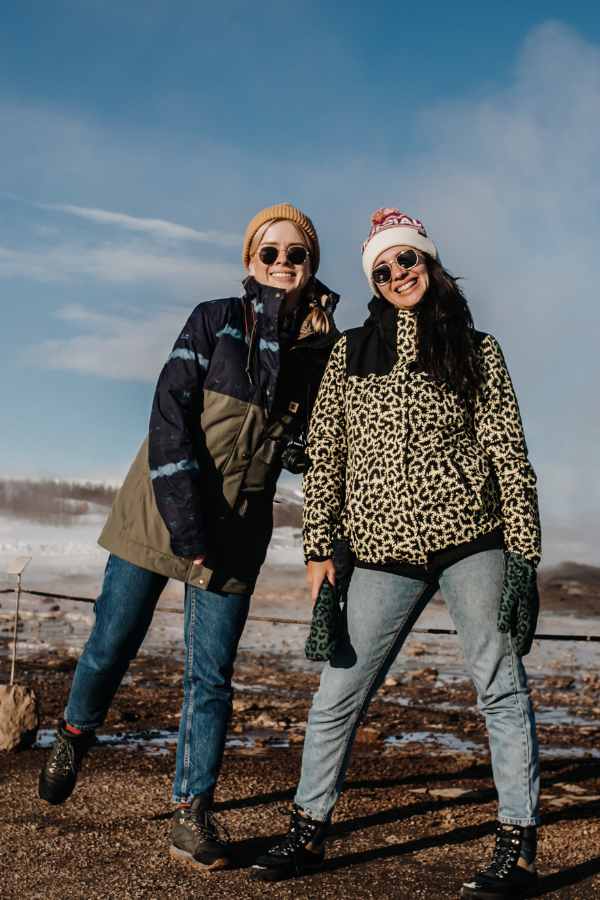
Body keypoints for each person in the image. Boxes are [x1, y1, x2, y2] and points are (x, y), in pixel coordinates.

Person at [249, 207, 541, 900]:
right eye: (383, 270)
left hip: (474, 541)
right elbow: (327, 458)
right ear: (374, 284)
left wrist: (523, 557)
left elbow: (509, 455)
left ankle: (518, 846)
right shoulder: (350, 354)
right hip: (381, 553)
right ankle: (307, 831)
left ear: (428, 263)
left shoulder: (478, 348)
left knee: (499, 687)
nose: (398, 274)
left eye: (407, 260)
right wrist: (319, 547)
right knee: (338, 693)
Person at [38, 203, 340, 871]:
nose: (283, 264)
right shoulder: (215, 320)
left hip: (238, 529)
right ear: (249, 262)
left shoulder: (324, 351)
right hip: (159, 510)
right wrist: (186, 525)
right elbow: (169, 413)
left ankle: (191, 812)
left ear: (312, 265)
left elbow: (323, 448)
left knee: (212, 676)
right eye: (271, 253)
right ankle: (75, 732)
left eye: (297, 254)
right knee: (111, 642)